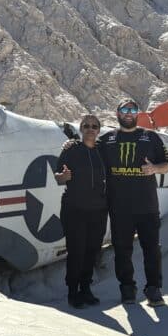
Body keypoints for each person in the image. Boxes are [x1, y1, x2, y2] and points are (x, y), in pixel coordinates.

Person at [100, 99, 168, 307]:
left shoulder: (150, 137)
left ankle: (154, 290)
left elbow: (167, 165)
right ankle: (127, 290)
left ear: (138, 113)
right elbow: (88, 153)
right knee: (122, 250)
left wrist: (155, 169)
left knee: (152, 249)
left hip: (147, 206)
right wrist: (71, 144)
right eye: (124, 109)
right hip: (119, 207)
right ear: (117, 113)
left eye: (132, 109)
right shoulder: (107, 139)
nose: (129, 113)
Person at [54, 114, 108, 309]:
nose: (90, 129)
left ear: (99, 130)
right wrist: (63, 176)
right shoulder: (71, 150)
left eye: (94, 126)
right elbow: (58, 178)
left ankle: (86, 288)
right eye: (86, 126)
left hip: (98, 211)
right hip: (74, 210)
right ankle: (72, 292)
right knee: (76, 251)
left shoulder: (103, 150)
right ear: (81, 129)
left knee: (92, 251)